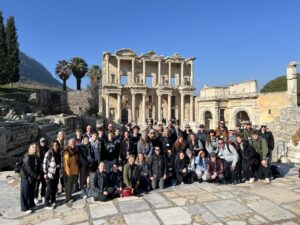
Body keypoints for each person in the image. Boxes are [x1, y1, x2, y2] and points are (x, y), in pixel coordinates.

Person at [20, 144, 40, 213]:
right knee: (25, 192)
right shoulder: (27, 157)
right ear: (30, 149)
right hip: (25, 177)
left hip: (32, 177)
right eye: (33, 147)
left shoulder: (36, 156)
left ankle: (31, 204)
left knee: (31, 191)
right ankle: (25, 208)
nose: (34, 148)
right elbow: (29, 169)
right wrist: (37, 176)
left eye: (35, 147)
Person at [43, 140, 61, 209]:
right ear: (52, 146)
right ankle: (46, 204)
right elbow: (44, 163)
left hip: (57, 172)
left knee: (54, 188)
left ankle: (53, 200)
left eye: (56, 145)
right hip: (50, 173)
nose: (55, 146)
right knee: (49, 188)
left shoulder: (59, 152)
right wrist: (45, 173)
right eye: (54, 145)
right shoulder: (49, 153)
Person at [63, 139, 79, 203]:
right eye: (71, 143)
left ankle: (70, 196)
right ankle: (68, 198)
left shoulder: (75, 150)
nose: (73, 144)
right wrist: (68, 172)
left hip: (74, 171)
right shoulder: (67, 152)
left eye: (74, 143)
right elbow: (65, 163)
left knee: (72, 185)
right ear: (69, 144)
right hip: (69, 172)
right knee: (68, 185)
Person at [34, 137, 48, 204]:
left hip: (44, 169)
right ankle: (35, 197)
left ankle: (43, 195)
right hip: (38, 170)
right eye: (42, 142)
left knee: (44, 184)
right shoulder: (37, 150)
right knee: (37, 184)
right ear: (40, 142)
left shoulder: (47, 149)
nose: (43, 143)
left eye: (44, 141)